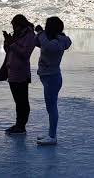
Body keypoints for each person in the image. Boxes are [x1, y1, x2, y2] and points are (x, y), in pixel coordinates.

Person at [35, 17, 72, 145]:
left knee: (51, 108)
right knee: (51, 107)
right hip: (50, 77)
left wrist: (40, 32)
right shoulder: (58, 39)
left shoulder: (56, 43)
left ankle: (52, 136)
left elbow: (46, 45)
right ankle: (51, 133)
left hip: (52, 78)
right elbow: (37, 42)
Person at [0, 14, 35, 134]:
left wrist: (12, 43)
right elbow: (10, 50)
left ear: (20, 24)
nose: (13, 28)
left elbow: (25, 54)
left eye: (14, 25)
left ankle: (21, 126)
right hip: (12, 72)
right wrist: (7, 43)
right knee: (18, 100)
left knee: (22, 101)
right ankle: (18, 124)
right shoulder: (18, 35)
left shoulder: (29, 35)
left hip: (21, 72)